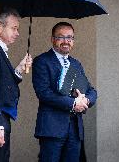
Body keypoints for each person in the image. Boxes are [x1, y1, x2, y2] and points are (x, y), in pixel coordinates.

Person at [32, 22, 97, 162]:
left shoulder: (76, 64)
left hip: (75, 130)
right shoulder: (42, 61)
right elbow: (43, 93)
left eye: (70, 37)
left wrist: (85, 101)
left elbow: (91, 90)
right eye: (61, 37)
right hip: (52, 129)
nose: (66, 41)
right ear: (52, 39)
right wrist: (73, 103)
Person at [0, 8, 32, 162]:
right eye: (14, 28)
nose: (17, 33)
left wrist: (18, 70)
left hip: (1, 118)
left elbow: (2, 83)